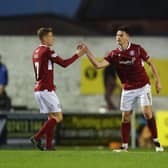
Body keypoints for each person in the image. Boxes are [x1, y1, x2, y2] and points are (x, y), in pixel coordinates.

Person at [80, 26, 164, 152]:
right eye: (117, 35)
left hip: (143, 86)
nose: (118, 37)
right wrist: (87, 52)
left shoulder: (137, 49)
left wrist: (158, 81)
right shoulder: (114, 54)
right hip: (128, 89)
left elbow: (151, 63)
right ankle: (124, 147)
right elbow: (98, 65)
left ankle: (156, 142)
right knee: (125, 117)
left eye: (121, 35)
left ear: (127, 37)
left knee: (147, 112)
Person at [30, 27, 86, 150]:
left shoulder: (36, 51)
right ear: (44, 38)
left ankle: (49, 146)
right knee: (58, 118)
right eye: (50, 36)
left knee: (51, 118)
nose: (53, 38)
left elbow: (45, 69)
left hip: (39, 89)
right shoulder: (48, 51)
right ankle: (37, 137)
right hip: (46, 90)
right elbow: (64, 63)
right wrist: (78, 55)